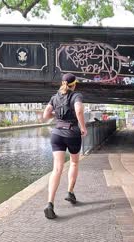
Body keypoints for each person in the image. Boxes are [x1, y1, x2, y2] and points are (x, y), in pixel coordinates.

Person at [42, 73, 87, 219]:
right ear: (74, 84)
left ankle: (50, 203)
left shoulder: (54, 97)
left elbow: (46, 115)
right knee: (74, 163)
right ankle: (70, 192)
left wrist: (57, 114)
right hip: (72, 132)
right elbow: (79, 110)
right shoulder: (76, 95)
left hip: (56, 134)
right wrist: (83, 127)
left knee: (57, 169)